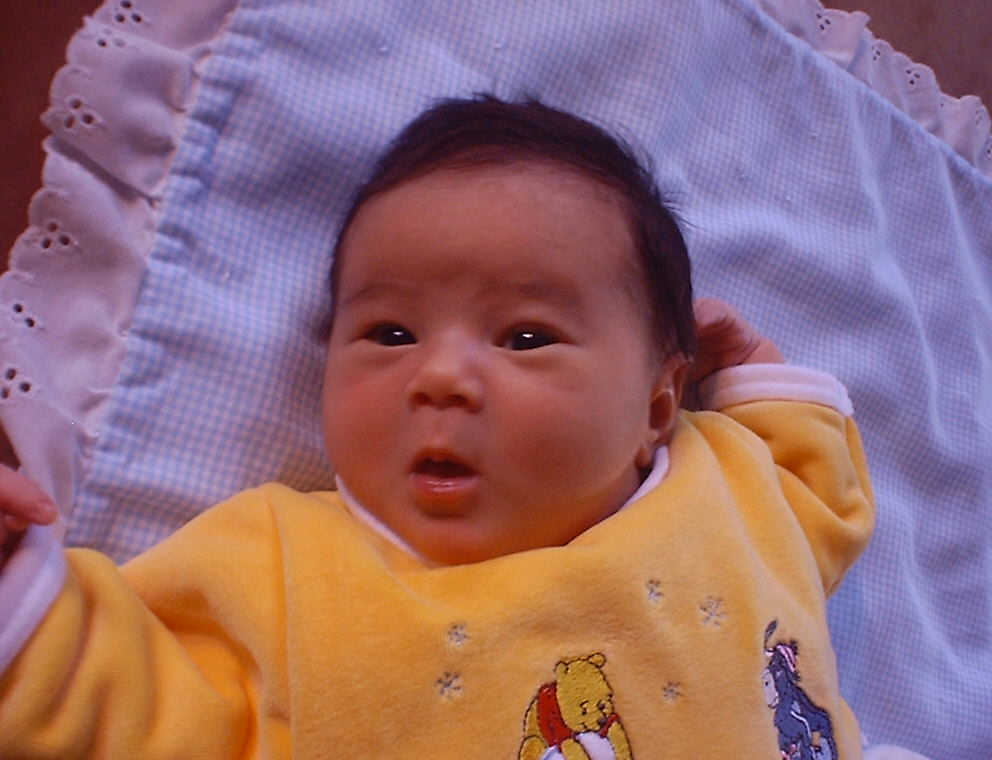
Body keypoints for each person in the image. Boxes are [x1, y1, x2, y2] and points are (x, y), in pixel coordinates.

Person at [0, 96, 876, 758]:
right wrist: (19, 593)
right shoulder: (280, 567)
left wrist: (756, 372)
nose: (441, 376)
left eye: (525, 338)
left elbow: (816, 498)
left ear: (656, 406)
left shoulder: (725, 482)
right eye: (390, 334)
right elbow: (142, 705)